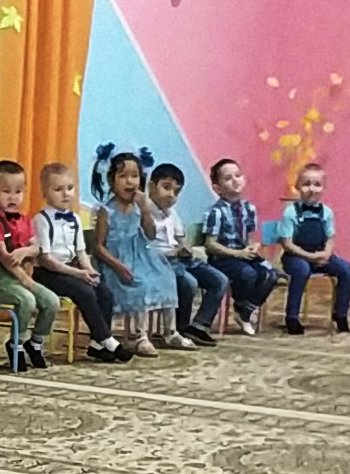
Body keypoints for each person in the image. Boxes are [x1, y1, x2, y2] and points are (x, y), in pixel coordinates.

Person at [31, 163, 131, 363]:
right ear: (45, 193)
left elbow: (81, 252)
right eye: (58, 189)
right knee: (84, 291)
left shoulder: (75, 219)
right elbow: (46, 260)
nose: (65, 194)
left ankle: (96, 345)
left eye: (69, 188)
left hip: (71, 268)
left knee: (104, 291)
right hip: (47, 272)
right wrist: (78, 274)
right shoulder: (41, 220)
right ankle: (106, 339)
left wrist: (90, 271)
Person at [92, 151, 181, 356]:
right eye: (123, 176)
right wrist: (118, 266)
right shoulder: (107, 210)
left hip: (141, 255)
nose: (129, 181)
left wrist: (145, 209)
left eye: (134, 176)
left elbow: (150, 235)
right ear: (111, 180)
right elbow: (98, 247)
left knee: (167, 277)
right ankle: (140, 337)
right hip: (116, 261)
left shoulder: (140, 207)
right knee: (141, 284)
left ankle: (171, 332)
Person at [0, 160, 57, 371]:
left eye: (18, 191)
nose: (13, 197)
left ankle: (36, 342)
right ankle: (16, 343)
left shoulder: (24, 219)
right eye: (6, 191)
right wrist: (26, 280)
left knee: (52, 301)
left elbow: (36, 247)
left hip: (21, 276)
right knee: (27, 300)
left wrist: (25, 252)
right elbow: (5, 259)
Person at [148, 162, 221, 346]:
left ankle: (199, 326)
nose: (171, 195)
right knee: (189, 282)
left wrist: (186, 248)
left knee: (219, 280)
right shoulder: (144, 213)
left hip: (180, 259)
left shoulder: (172, 213)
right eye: (166, 187)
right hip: (160, 262)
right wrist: (173, 252)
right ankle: (180, 329)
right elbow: (146, 248)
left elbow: (180, 239)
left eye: (176, 191)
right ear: (151, 187)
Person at [278, 162, 350, 335]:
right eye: (306, 184)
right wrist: (310, 256)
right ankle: (292, 317)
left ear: (323, 188)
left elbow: (330, 237)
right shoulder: (290, 212)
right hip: (296, 255)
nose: (312, 189)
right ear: (298, 186)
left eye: (317, 184)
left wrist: (326, 254)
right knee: (301, 270)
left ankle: (340, 314)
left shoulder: (326, 212)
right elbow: (287, 243)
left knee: (346, 269)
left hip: (320, 254)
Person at [203, 158, 278, 334]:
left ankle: (245, 309)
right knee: (248, 273)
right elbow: (210, 244)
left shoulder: (249, 209)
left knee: (271, 273)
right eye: (228, 178)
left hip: (243, 255)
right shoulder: (216, 212)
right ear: (217, 188)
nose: (235, 180)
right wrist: (237, 254)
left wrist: (254, 246)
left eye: (238, 175)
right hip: (223, 259)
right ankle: (243, 308)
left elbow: (249, 238)